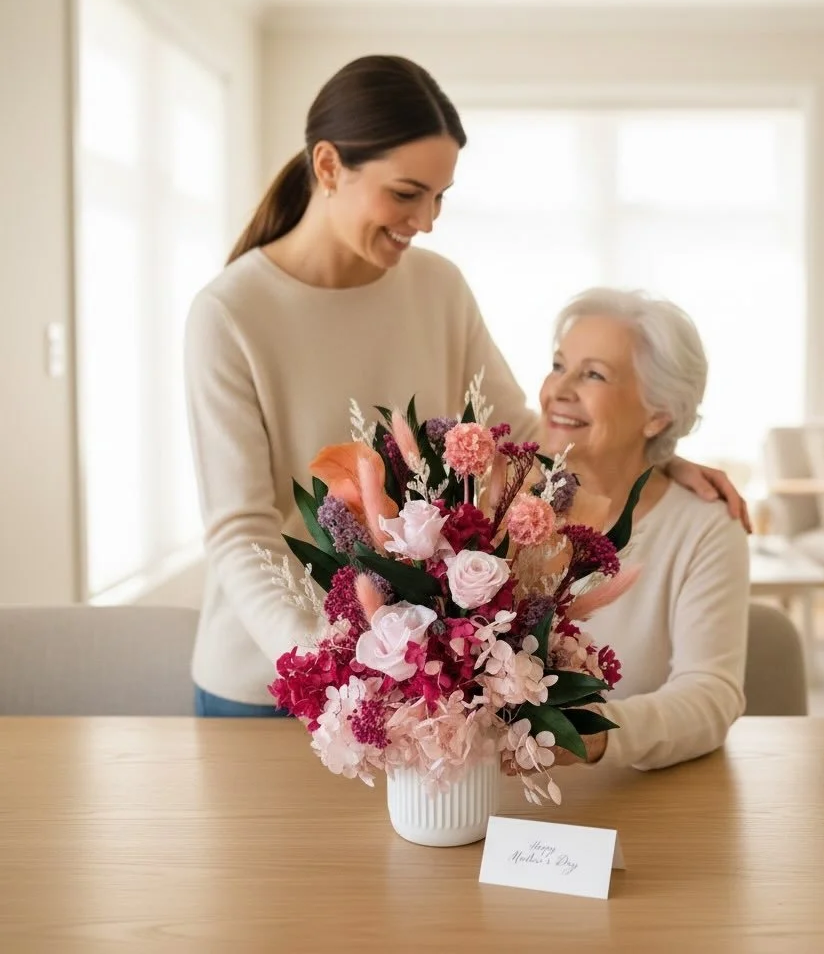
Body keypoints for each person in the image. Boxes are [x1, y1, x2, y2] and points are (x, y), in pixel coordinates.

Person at [184, 55, 749, 717]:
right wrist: (332, 663)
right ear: (330, 166)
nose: (426, 220)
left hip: (418, 680)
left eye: (439, 196)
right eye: (406, 193)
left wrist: (653, 453)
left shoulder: (436, 286)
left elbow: (521, 433)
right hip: (278, 681)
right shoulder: (230, 314)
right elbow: (240, 532)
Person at [538, 288, 750, 770]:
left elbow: (711, 694)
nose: (559, 390)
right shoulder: (501, 504)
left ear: (658, 414)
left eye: (593, 374)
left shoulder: (706, 528)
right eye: (557, 365)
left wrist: (593, 736)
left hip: (632, 800)